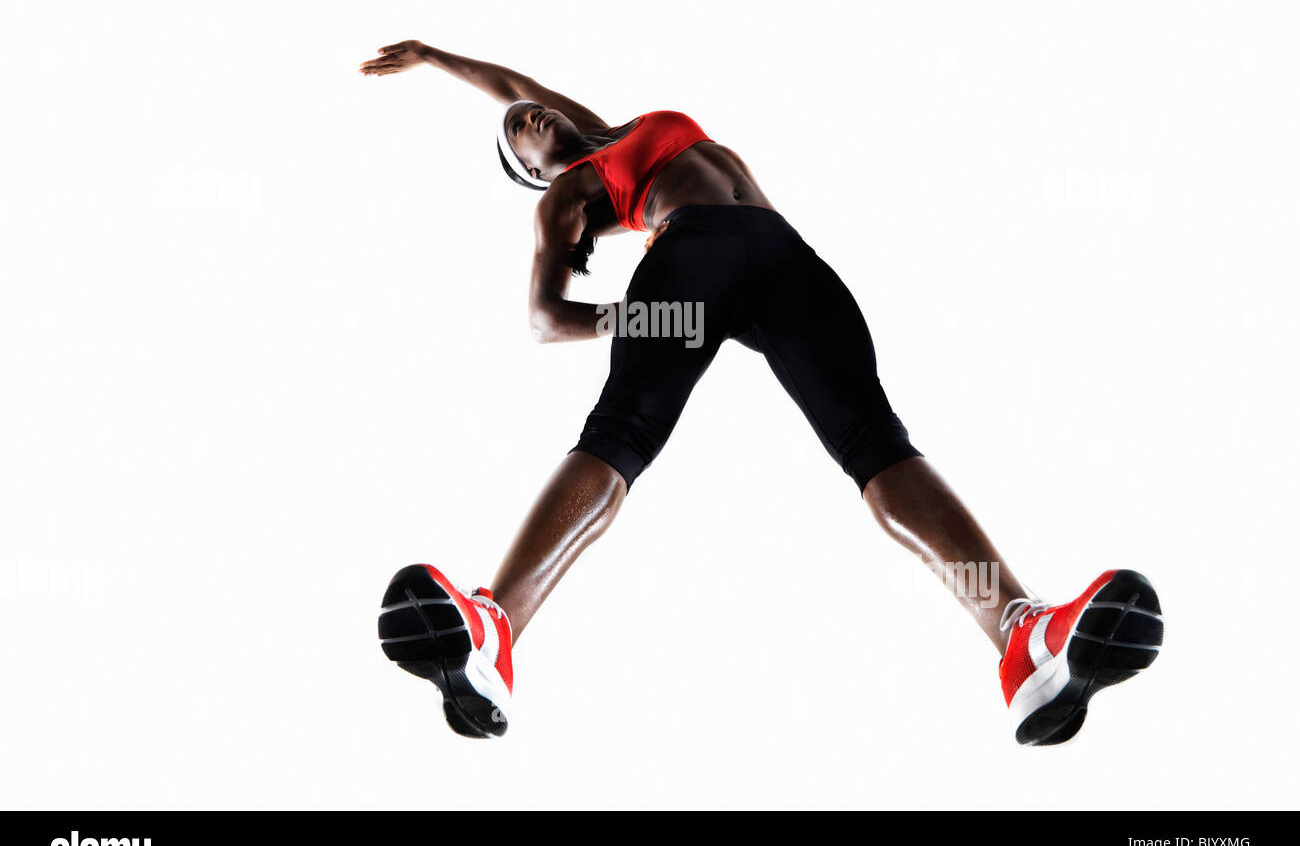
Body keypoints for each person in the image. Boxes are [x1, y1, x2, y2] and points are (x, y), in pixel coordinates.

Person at [361, 39, 1163, 745]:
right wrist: (641, 315)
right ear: (536, 177)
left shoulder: (610, 132)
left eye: (526, 116)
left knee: (878, 443)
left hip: (787, 259)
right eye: (517, 140)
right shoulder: (571, 191)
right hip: (692, 254)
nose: (524, 121)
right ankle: (494, 627)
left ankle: (1023, 636)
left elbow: (512, 84)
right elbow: (543, 320)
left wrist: (433, 57)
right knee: (621, 435)